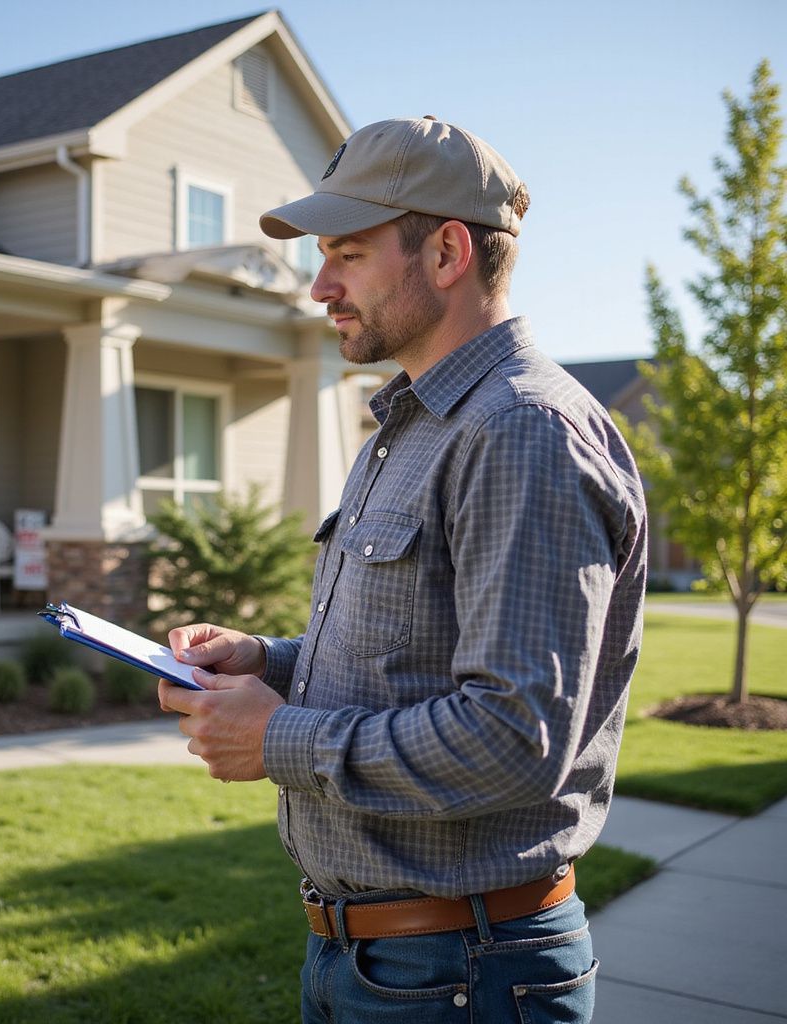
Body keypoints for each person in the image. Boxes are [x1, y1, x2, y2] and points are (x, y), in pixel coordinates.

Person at [158, 115, 647, 1024]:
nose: (318, 286)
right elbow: (413, 646)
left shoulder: (521, 432)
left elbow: (514, 735)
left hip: (465, 973)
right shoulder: (419, 426)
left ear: (449, 252)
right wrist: (266, 662)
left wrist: (279, 739)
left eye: (346, 251)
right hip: (383, 959)